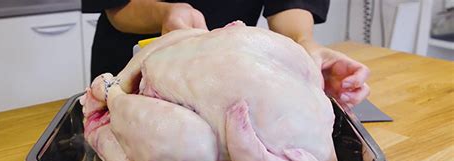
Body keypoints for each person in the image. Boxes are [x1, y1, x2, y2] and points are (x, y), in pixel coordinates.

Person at [82, 0, 370, 107]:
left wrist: (304, 45)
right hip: (133, 69)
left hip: (227, 78)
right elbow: (116, 7)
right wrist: (166, 13)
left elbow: (288, 4)